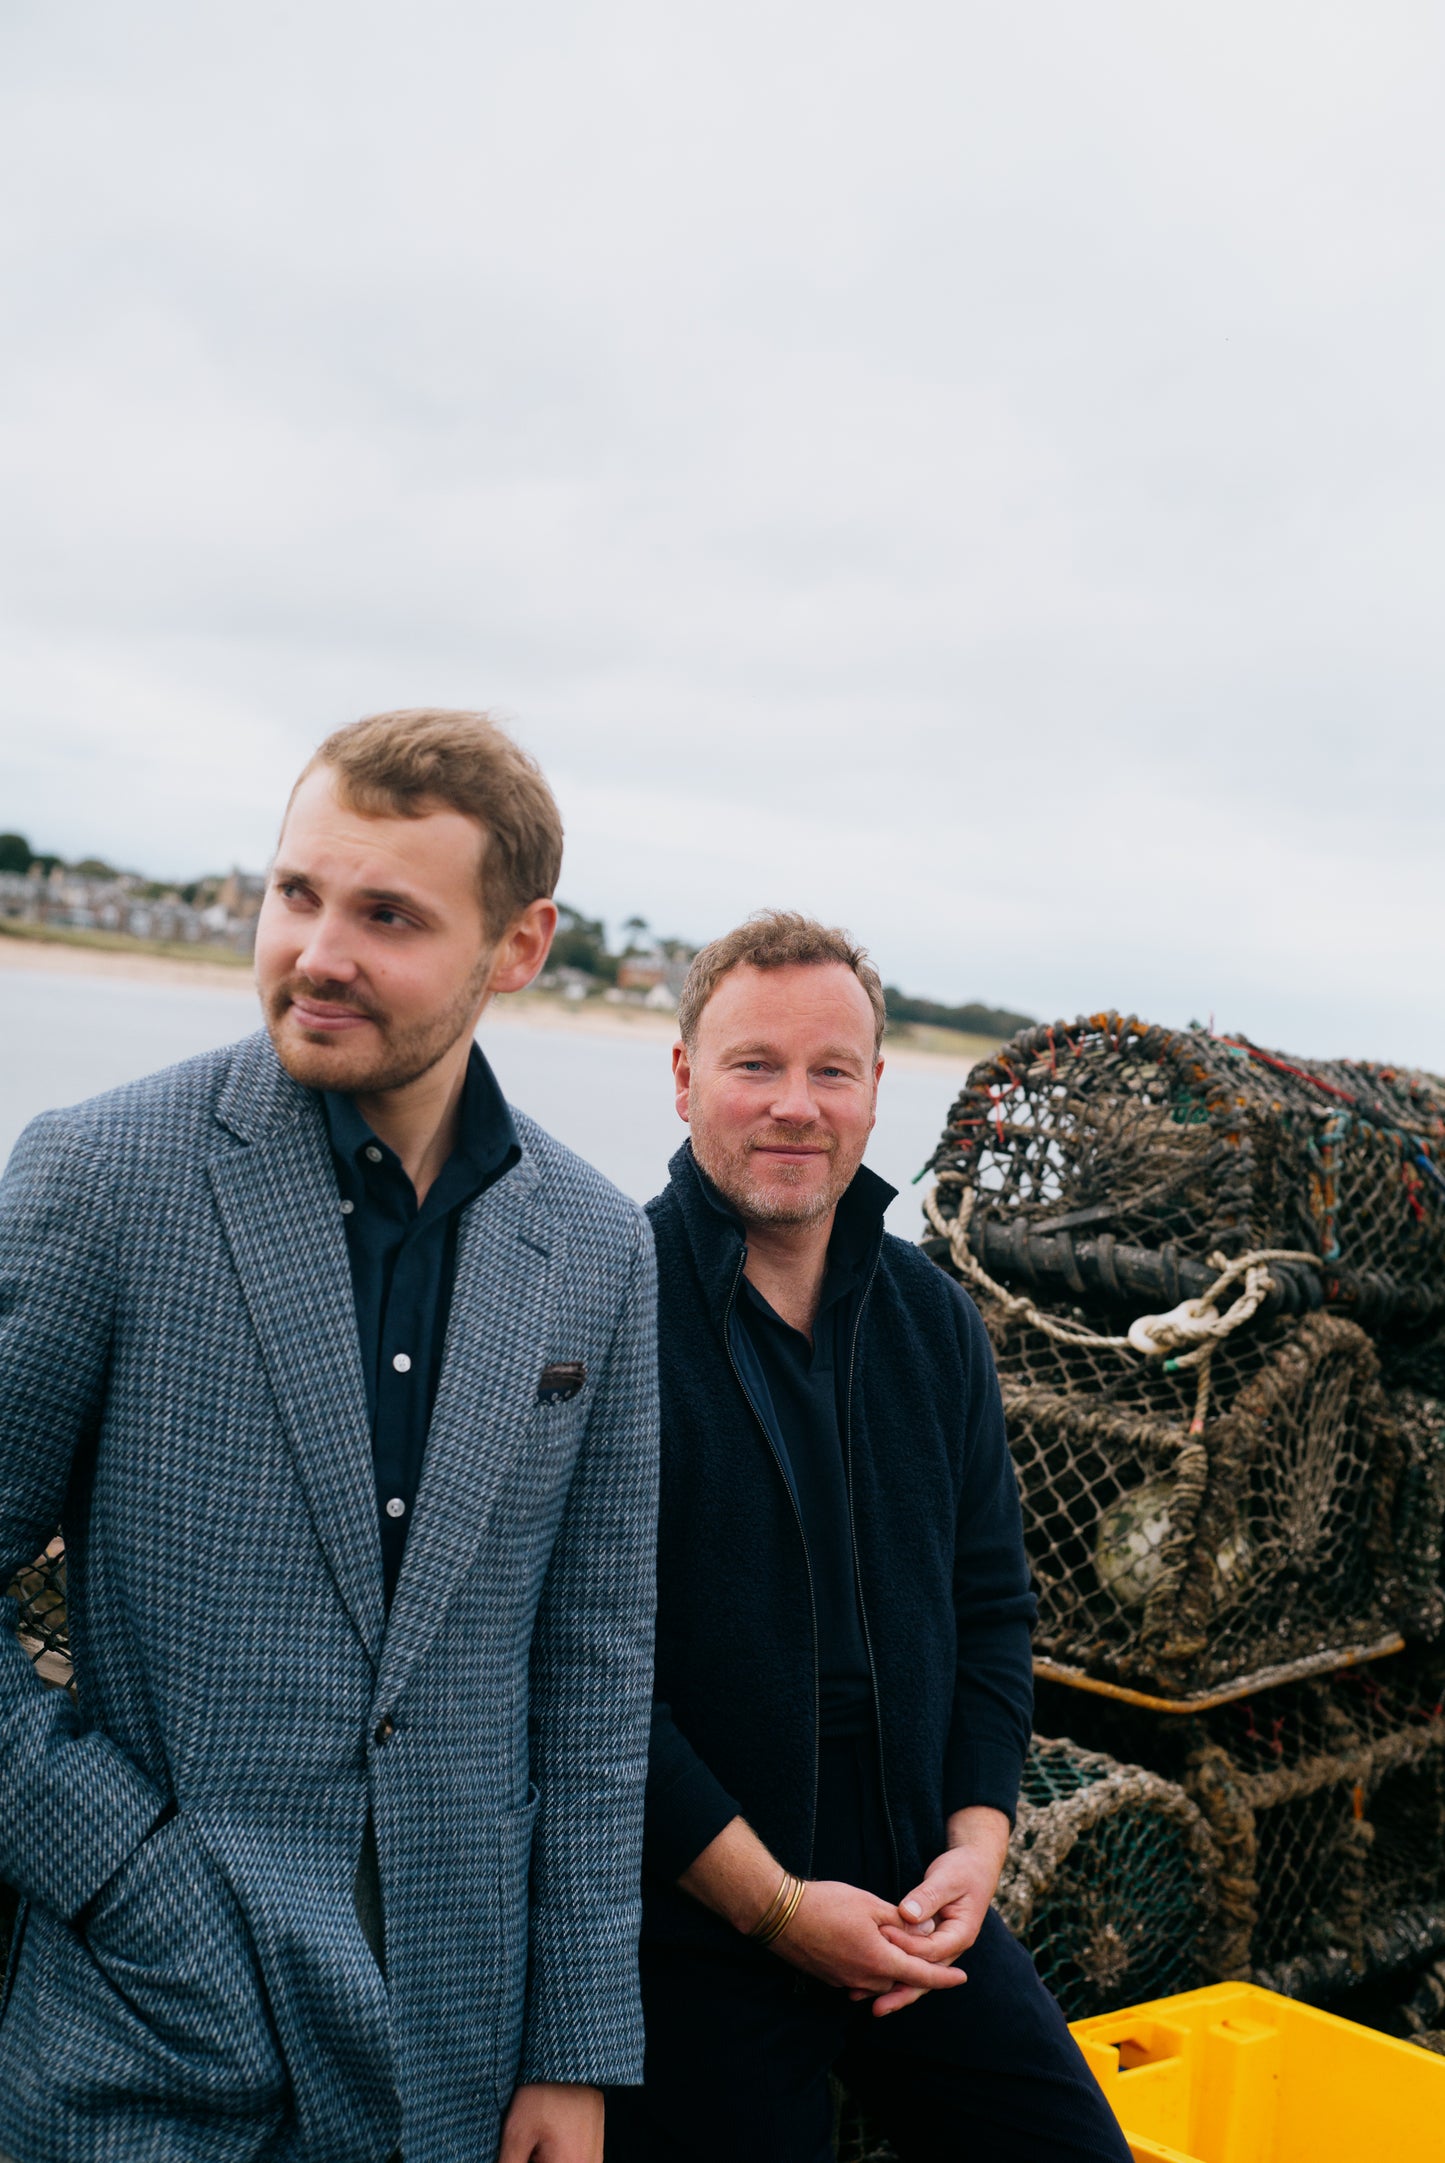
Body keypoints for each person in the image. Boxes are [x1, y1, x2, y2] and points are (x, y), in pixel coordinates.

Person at [0, 710, 658, 2163]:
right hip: (143, 2030)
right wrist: (120, 1872)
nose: (317, 951)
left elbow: (595, 1663)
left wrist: (576, 2043)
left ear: (519, 944)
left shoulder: (601, 1246)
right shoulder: (100, 1175)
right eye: (296, 892)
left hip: (460, 2052)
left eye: (387, 915)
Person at [607, 911, 1132, 2163]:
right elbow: (588, 1686)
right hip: (692, 1908)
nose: (795, 1106)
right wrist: (780, 1913)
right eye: (754, 1065)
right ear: (683, 1079)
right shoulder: (611, 1305)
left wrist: (974, 1848)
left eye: (830, 1070)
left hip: (910, 1883)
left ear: (875, 1092)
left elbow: (993, 1612)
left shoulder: (931, 1324)